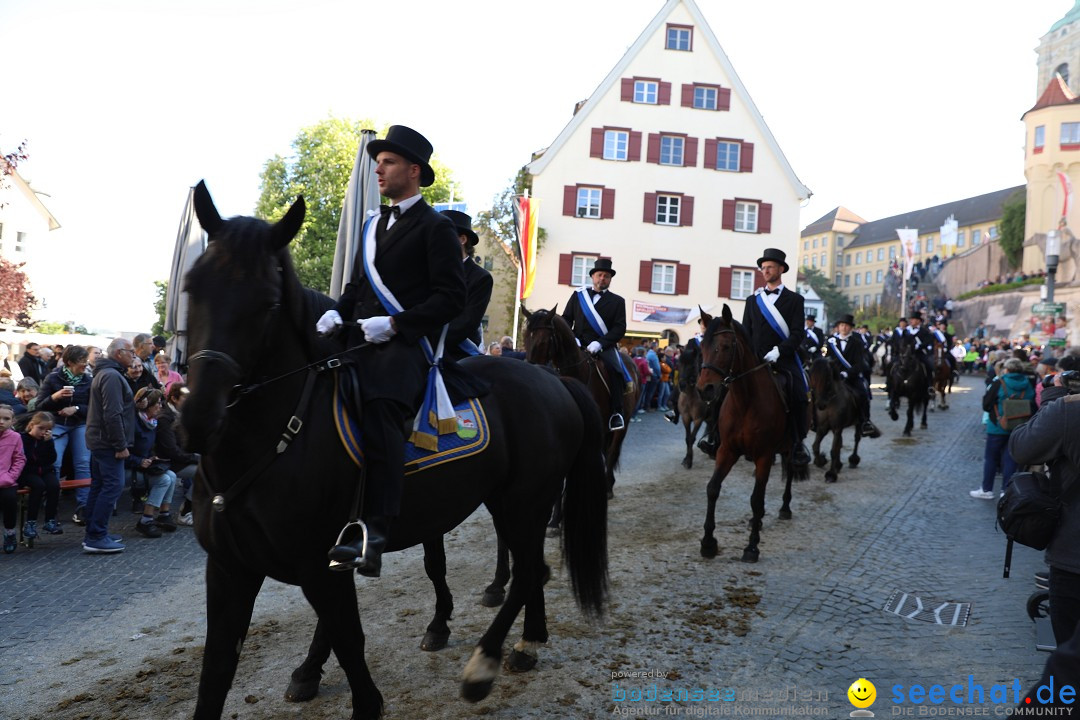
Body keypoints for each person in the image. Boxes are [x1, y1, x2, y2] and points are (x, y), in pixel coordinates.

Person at [315, 125, 465, 577]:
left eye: (389, 162)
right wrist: (335, 313)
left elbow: (450, 298)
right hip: (358, 337)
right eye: (377, 162)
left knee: (380, 405)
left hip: (404, 346)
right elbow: (356, 286)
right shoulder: (371, 226)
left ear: (413, 171)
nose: (378, 168)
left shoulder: (436, 228)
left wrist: (397, 323)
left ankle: (374, 528)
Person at [1009, 371, 1080, 644]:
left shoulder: (1070, 411)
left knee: (1070, 662)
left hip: (1074, 559)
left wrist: (1052, 399)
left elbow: (1021, 448)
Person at [741, 248, 811, 465]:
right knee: (728, 389)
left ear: (781, 269)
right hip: (756, 361)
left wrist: (780, 350)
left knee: (799, 394)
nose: (765, 271)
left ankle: (798, 443)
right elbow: (746, 332)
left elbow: (798, 333)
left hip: (784, 359)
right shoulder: (753, 300)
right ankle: (716, 437)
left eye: (770, 267)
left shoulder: (795, 300)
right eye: (763, 268)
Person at [561, 258, 633, 431]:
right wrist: (572, 339)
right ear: (593, 276)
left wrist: (600, 343)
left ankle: (616, 412)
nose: (603, 279)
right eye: (600, 275)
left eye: (606, 276)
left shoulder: (617, 301)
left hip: (604, 346)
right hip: (577, 344)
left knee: (615, 371)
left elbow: (619, 328)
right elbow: (566, 319)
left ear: (610, 280)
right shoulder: (578, 296)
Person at [82, 338, 136, 554]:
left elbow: (114, 409)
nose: (134, 355)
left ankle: (94, 532)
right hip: (107, 442)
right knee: (112, 486)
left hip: (99, 439)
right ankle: (96, 535)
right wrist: (120, 444)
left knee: (99, 486)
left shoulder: (106, 373)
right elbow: (111, 414)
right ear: (119, 353)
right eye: (131, 352)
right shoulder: (112, 376)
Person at [34, 345, 93, 520]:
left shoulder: (88, 380)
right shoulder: (53, 378)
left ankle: (83, 505)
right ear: (70, 362)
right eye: (82, 361)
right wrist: (55, 397)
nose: (85, 364)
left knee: (82, 462)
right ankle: (52, 502)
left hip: (79, 424)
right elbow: (39, 406)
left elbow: (94, 408)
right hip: (57, 424)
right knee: (55, 462)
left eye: (85, 360)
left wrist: (75, 408)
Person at [970, 358, 1036, 500]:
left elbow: (986, 404)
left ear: (1006, 369)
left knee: (991, 458)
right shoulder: (1028, 384)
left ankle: (986, 489)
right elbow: (1032, 405)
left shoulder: (999, 382)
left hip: (997, 426)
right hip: (1018, 427)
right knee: (1011, 459)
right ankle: (1006, 491)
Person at [440, 210, 492, 362]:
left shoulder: (481, 278)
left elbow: (466, 323)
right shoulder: (430, 271)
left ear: (462, 239)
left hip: (459, 353)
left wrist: (430, 336)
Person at [127, 387, 178, 538]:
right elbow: (122, 450)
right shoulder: (133, 423)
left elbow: (147, 448)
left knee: (172, 476)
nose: (160, 407)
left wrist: (152, 457)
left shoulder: (151, 422)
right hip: (127, 467)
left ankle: (164, 513)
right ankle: (145, 520)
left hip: (143, 464)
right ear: (146, 405)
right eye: (157, 403)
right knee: (163, 480)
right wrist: (139, 461)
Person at [824, 314, 881, 438]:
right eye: (842, 325)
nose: (844, 328)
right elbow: (827, 360)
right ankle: (814, 420)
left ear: (851, 328)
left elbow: (859, 363)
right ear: (838, 327)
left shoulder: (857, 343)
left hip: (851, 377)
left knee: (863, 394)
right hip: (834, 377)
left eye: (846, 326)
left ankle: (865, 421)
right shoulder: (830, 342)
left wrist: (847, 373)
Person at [155, 382, 198, 526]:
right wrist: (195, 458)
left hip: (180, 458)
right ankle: (185, 511)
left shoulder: (182, 414)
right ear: (174, 398)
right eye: (186, 398)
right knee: (202, 473)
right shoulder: (165, 418)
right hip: (168, 462)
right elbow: (171, 450)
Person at [18, 412, 63, 538]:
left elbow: (52, 458)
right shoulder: (23, 438)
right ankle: (30, 522)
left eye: (48, 429)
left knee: (54, 485)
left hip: (44, 470)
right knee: (38, 486)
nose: (43, 432)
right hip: (28, 471)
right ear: (32, 425)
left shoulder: (47, 441)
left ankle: (50, 520)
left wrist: (48, 443)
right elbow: (24, 458)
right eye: (41, 428)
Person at [0, 404, 26, 553]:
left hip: (7, 480)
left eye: (6, 419)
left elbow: (19, 459)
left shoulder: (15, 437)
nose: (1, 421)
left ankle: (10, 532)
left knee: (10, 500)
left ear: (12, 421)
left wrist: (11, 477)